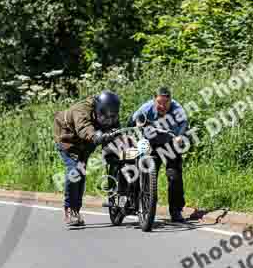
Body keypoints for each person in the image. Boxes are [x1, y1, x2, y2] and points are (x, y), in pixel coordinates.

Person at [53, 91, 122, 227]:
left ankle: (76, 210)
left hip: (87, 143)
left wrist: (121, 141)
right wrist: (96, 136)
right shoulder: (82, 110)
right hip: (68, 139)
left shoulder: (111, 113)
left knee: (81, 172)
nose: (108, 118)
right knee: (74, 171)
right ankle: (70, 209)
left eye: (111, 115)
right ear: (97, 108)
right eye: (104, 115)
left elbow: (116, 130)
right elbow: (84, 128)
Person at [125, 86, 188, 222]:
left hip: (170, 142)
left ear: (171, 101)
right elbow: (131, 121)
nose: (162, 106)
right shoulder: (147, 108)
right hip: (150, 143)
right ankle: (135, 202)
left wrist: (180, 136)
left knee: (174, 175)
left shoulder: (177, 108)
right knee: (138, 169)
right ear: (154, 101)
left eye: (166, 103)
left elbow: (184, 123)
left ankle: (176, 210)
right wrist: (130, 137)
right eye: (159, 103)